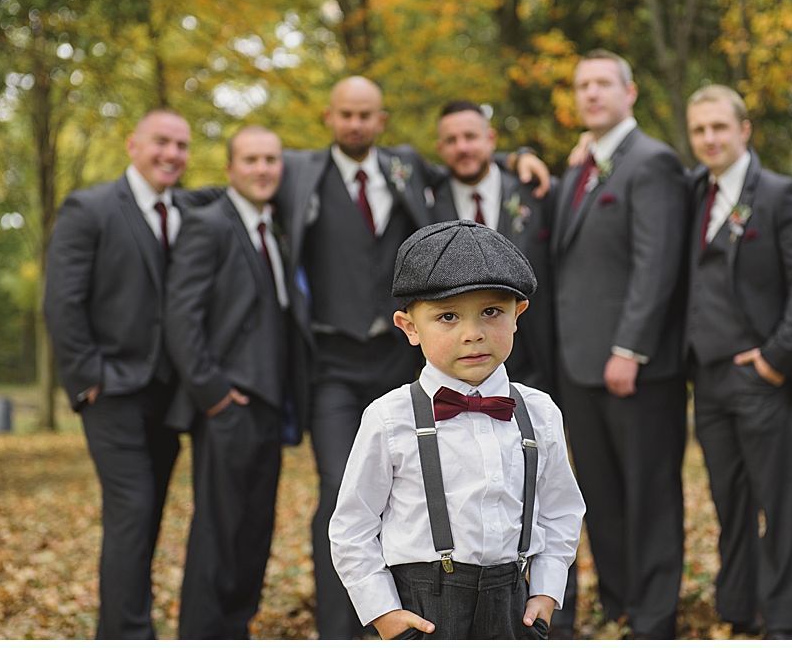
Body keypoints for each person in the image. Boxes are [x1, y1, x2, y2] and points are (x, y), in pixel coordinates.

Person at [274, 76, 551, 639]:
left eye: (366, 114)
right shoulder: (299, 172)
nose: (355, 123)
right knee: (341, 489)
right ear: (330, 117)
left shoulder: (406, 168)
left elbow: (467, 158)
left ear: (381, 121)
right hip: (332, 360)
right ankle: (352, 625)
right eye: (345, 114)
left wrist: (517, 155)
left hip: (398, 355)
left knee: (428, 473)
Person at [329, 219, 586, 640]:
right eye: (448, 316)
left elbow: (561, 510)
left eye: (491, 312)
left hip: (513, 606)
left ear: (517, 315)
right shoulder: (390, 417)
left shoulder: (539, 412)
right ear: (410, 327)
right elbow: (352, 527)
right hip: (423, 608)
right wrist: (383, 612)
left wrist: (546, 591)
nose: (473, 334)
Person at [551, 49, 689, 638]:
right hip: (577, 366)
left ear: (629, 93)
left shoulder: (652, 162)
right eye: (583, 85)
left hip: (635, 367)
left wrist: (630, 348)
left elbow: (656, 263)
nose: (592, 93)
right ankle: (620, 605)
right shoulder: (578, 169)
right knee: (600, 498)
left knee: (651, 494)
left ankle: (654, 619)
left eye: (604, 83)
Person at [684, 84, 792, 639]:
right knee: (731, 503)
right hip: (709, 379)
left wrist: (776, 360)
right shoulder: (694, 191)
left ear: (744, 129)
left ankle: (786, 621)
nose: (710, 138)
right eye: (700, 130)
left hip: (762, 377)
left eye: (720, 127)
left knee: (779, 504)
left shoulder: (781, 195)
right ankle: (739, 607)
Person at [44, 108, 192, 639]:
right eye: (161, 143)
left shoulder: (188, 210)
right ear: (133, 145)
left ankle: (117, 630)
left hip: (169, 397)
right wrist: (88, 380)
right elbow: (62, 302)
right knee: (131, 509)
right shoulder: (91, 208)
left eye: (181, 146)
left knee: (146, 518)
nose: (171, 155)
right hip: (111, 391)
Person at [163, 126, 311, 638]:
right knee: (218, 536)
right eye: (250, 159)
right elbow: (181, 317)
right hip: (229, 406)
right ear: (230, 169)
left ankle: (236, 629)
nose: (263, 169)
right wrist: (215, 395)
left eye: (271, 159)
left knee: (254, 532)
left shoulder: (274, 228)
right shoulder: (209, 225)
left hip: (271, 406)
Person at [431, 100, 556, 394]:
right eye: (451, 140)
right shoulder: (428, 203)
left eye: (471, 136)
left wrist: (521, 156)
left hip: (537, 361)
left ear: (491, 139)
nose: (462, 147)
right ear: (440, 148)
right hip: (459, 371)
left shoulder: (535, 190)